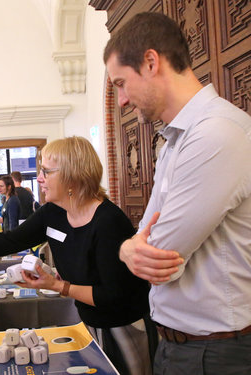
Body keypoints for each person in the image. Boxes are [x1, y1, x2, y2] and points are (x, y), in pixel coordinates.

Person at [0, 137, 154, 375]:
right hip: (88, 321)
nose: (38, 179)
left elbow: (111, 296)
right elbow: (8, 241)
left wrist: (58, 285)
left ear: (72, 175)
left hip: (123, 326)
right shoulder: (53, 212)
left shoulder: (108, 222)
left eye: (46, 171)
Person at [103, 12, 251, 374]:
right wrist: (127, 248)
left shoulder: (215, 133)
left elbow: (159, 258)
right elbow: (140, 240)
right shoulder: (174, 140)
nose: (121, 100)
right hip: (178, 343)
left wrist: (135, 248)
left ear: (151, 62)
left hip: (217, 350)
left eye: (122, 83)